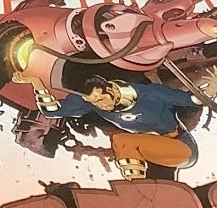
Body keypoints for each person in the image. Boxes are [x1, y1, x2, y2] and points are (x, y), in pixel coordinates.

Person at [23, 73, 201, 178]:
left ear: (111, 89)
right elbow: (53, 112)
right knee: (123, 142)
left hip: (182, 148)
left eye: (101, 98)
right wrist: (37, 85)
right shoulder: (92, 102)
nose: (100, 104)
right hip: (149, 153)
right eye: (93, 102)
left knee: (122, 141)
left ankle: (138, 187)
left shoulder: (148, 93)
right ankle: (139, 191)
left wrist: (206, 93)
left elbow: (189, 100)